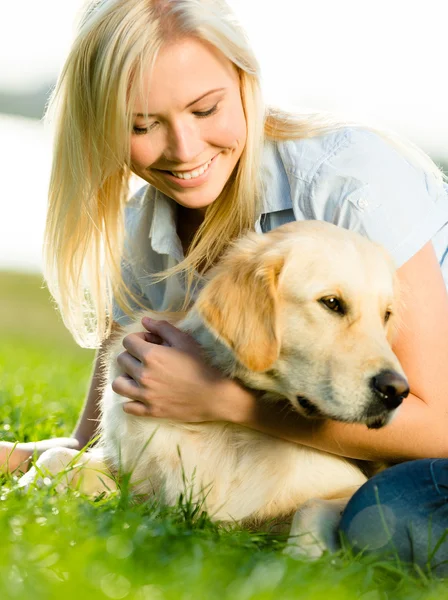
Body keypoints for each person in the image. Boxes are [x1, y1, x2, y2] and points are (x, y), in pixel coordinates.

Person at [1, 0, 447, 572]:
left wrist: (221, 399)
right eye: (142, 125)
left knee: (387, 514)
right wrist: (19, 458)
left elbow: (436, 426)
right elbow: (93, 442)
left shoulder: (348, 179)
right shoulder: (143, 234)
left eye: (206, 108)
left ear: (246, 83)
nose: (185, 150)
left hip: (429, 436)